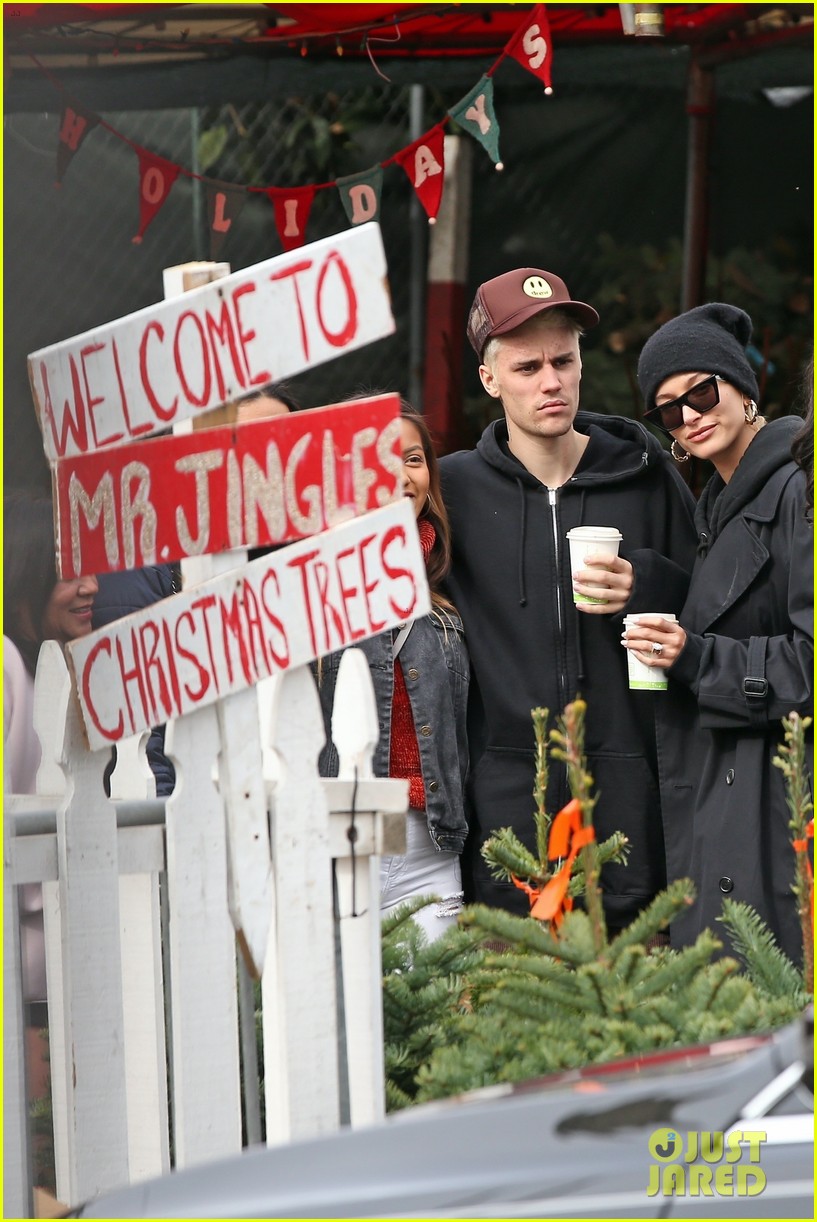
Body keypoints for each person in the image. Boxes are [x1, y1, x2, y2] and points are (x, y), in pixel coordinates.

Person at [439, 267, 698, 932]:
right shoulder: (454, 494)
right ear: (490, 380)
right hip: (506, 815)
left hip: (632, 808)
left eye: (563, 360)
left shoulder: (644, 477)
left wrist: (646, 583)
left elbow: (712, 605)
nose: (550, 382)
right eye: (527, 367)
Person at [625, 303, 813, 963]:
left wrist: (696, 657)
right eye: (668, 409)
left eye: (701, 391)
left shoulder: (795, 489)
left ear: (742, 387)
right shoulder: (719, 509)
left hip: (780, 808)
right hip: (731, 806)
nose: (689, 415)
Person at [317, 404, 469, 942]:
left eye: (414, 459)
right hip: (338, 846)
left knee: (434, 1022)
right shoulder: (318, 586)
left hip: (431, 850)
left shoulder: (448, 596)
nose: (404, 476)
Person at [4, 489, 100, 1132]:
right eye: (68, 572)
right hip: (26, 980)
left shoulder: (61, 666)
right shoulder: (9, 667)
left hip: (66, 960)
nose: (89, 586)